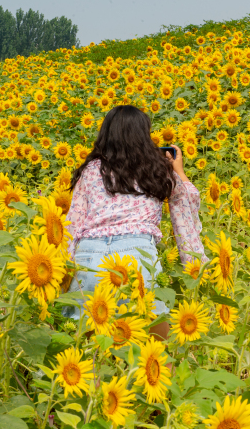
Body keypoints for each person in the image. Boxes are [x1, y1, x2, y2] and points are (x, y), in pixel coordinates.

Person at [64, 105, 207, 339]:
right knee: (156, 348)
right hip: (136, 257)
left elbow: (73, 223)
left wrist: (64, 272)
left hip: (88, 259)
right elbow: (185, 203)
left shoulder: (90, 170)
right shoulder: (155, 169)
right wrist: (179, 172)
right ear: (144, 136)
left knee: (86, 353)